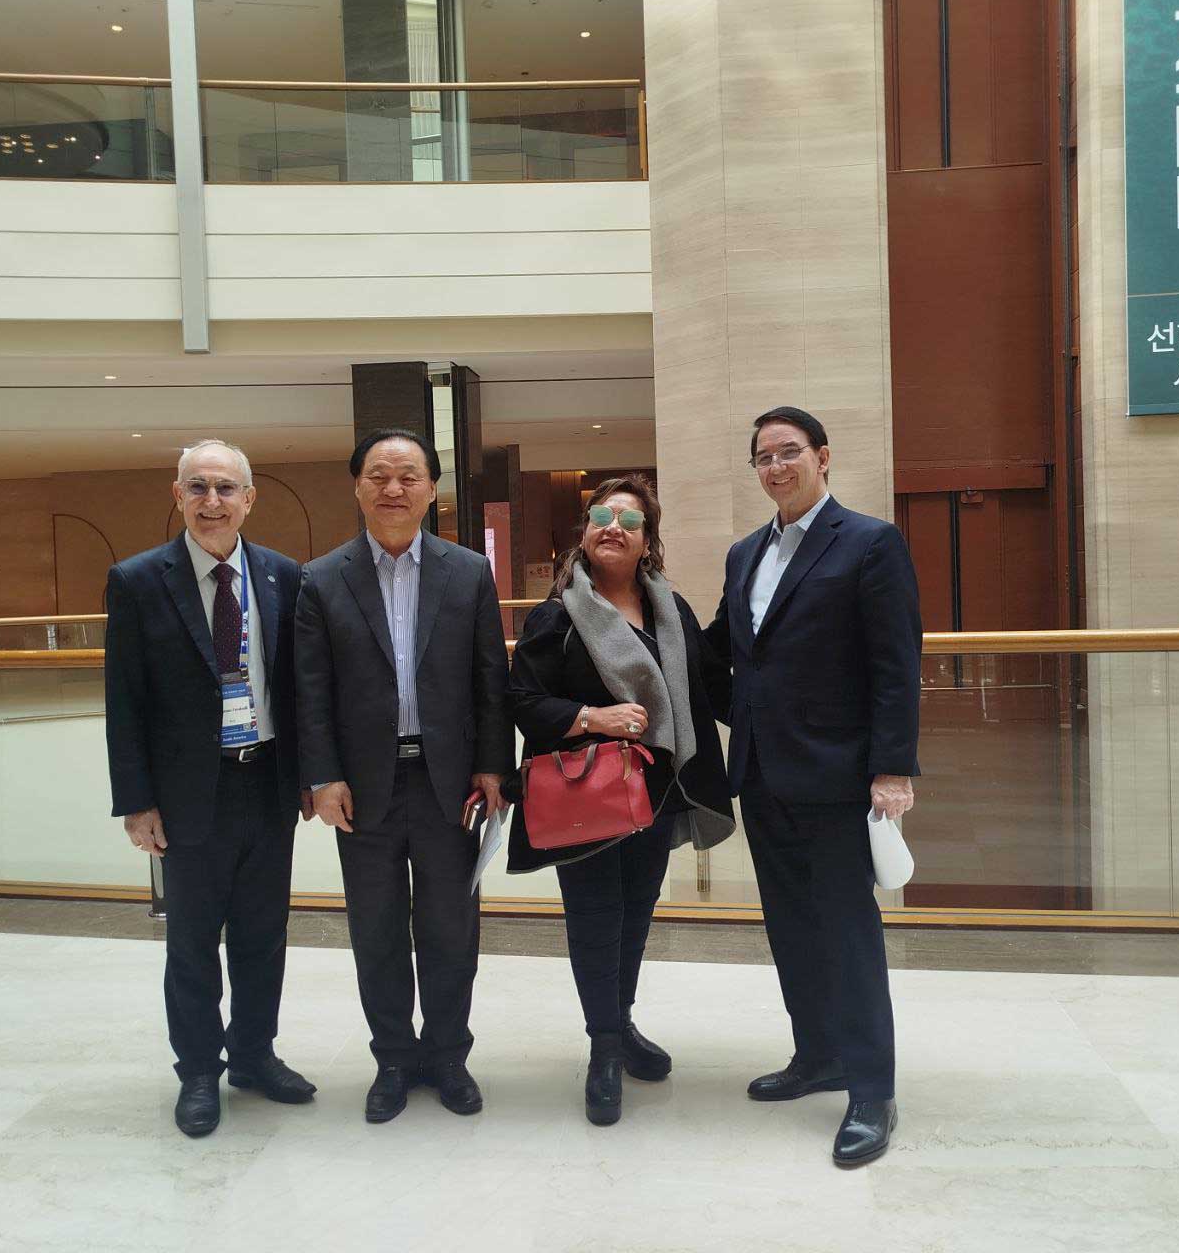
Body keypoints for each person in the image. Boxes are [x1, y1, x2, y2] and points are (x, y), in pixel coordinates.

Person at [705, 406, 922, 1166]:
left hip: (836, 775)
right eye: (762, 457)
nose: (775, 467)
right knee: (791, 926)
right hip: (762, 772)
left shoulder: (868, 542)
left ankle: (871, 1090)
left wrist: (892, 767)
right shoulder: (744, 554)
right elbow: (722, 652)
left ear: (822, 457)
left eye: (788, 452)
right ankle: (818, 1055)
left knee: (847, 934)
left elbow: (896, 663)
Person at [294, 428, 513, 1125]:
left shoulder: (468, 572)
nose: (394, 488)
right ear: (358, 486)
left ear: (431, 488)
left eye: (409, 476)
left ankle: (447, 1056)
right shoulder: (320, 578)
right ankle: (391, 1058)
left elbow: (490, 677)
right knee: (377, 929)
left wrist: (493, 766)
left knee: (452, 928)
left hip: (450, 784)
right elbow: (310, 690)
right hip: (363, 788)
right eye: (379, 476)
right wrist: (322, 776)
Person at [508, 475, 735, 1126]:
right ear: (584, 532)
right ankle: (603, 1048)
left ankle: (621, 1023)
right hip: (588, 796)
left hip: (657, 795)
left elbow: (711, 684)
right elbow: (522, 700)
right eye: (601, 516)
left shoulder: (671, 610)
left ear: (647, 539)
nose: (613, 527)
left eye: (629, 520)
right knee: (595, 920)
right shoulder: (557, 616)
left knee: (635, 916)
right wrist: (592, 718)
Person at [104, 438, 315, 1139]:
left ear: (249, 499)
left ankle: (254, 1056)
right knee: (193, 942)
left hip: (268, 781)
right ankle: (198, 1070)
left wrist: (310, 776)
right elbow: (124, 700)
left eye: (226, 488)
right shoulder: (137, 581)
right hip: (189, 792)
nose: (212, 501)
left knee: (263, 934)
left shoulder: (284, 576)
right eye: (198, 487)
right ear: (178, 496)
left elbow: (300, 688)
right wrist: (137, 801)